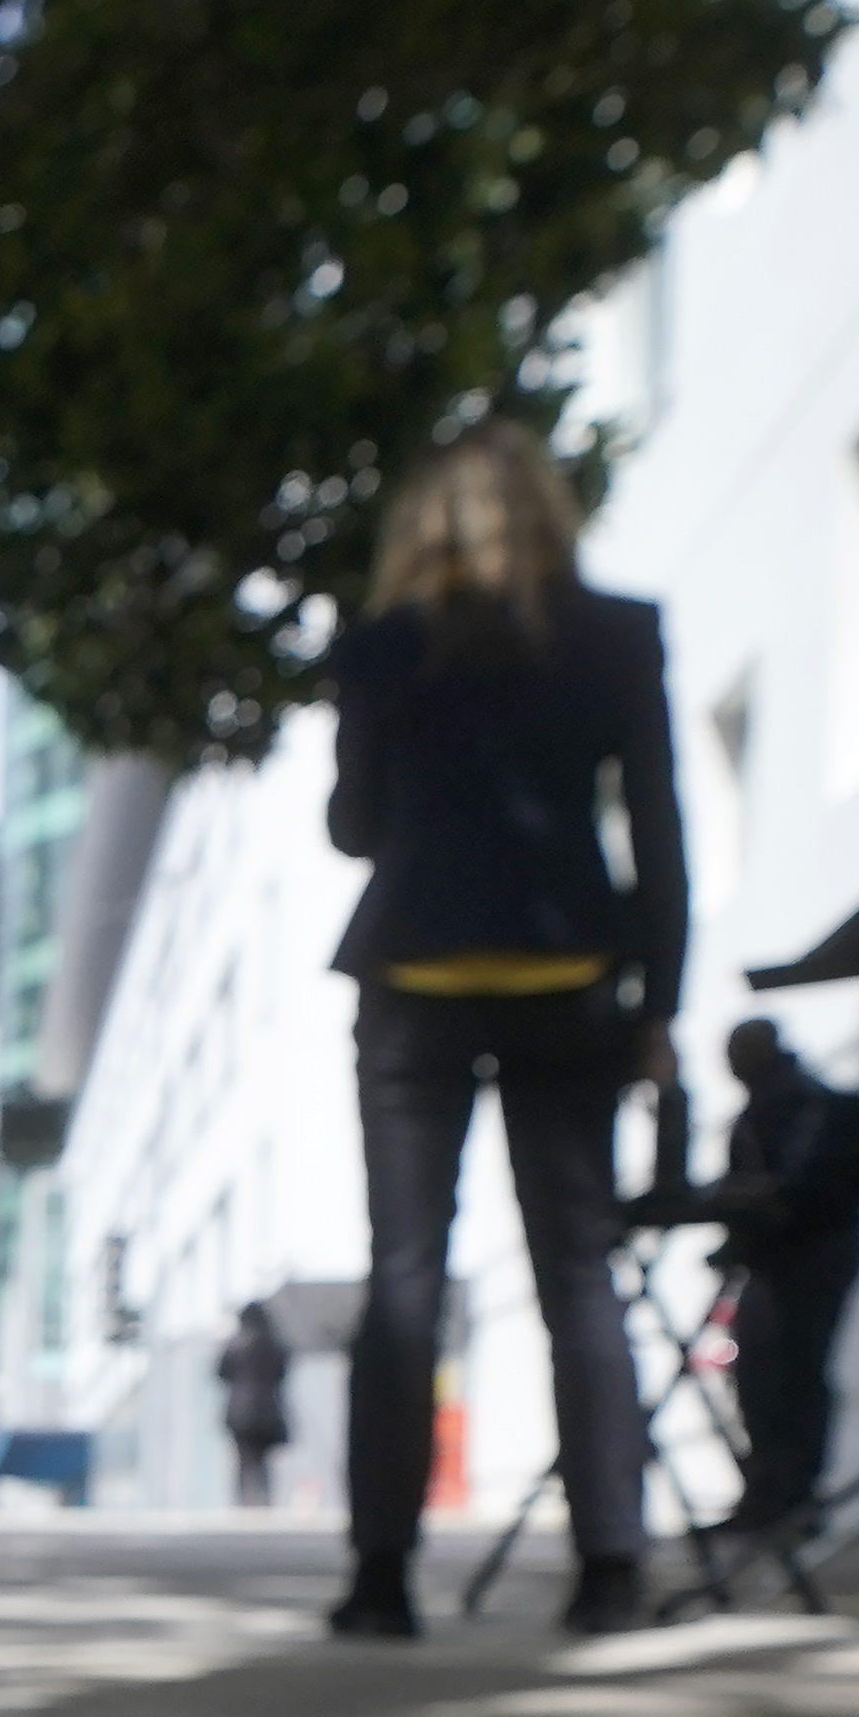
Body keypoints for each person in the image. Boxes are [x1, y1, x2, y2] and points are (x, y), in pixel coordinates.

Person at [318, 424, 684, 1640]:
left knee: (406, 1278)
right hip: (570, 973)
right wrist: (661, 1002)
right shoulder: (618, 634)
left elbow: (356, 828)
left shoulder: (381, 649)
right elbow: (659, 833)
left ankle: (380, 1581)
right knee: (579, 1272)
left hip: (414, 976)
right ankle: (612, 1571)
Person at [692, 1015, 859, 1536]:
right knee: (762, 1371)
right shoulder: (765, 1115)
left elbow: (785, 1190)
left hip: (815, 1253)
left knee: (795, 1370)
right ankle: (773, 1493)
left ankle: (791, 1496)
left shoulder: (804, 1111)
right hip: (781, 1258)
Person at [216, 1298, 295, 1510]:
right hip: (268, 1411)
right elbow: (283, 1372)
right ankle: (264, 1500)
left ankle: (244, 1502)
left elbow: (220, 1372)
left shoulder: (235, 1344)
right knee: (263, 1461)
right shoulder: (274, 1344)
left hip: (240, 1411)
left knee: (243, 1459)